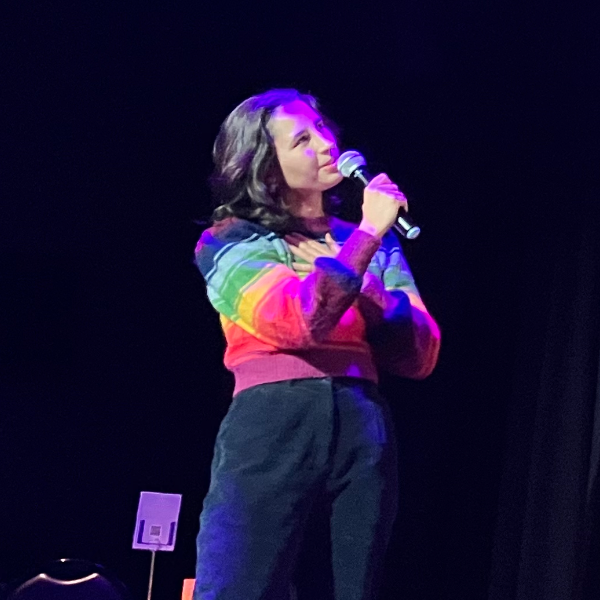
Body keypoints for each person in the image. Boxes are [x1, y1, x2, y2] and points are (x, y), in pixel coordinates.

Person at [193, 88, 441, 600]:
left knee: (352, 587)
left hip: (362, 419)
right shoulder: (230, 240)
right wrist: (368, 236)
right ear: (265, 168)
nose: (327, 145)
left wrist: (369, 269)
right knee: (241, 585)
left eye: (323, 130)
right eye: (303, 139)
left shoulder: (372, 241)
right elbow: (295, 320)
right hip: (272, 423)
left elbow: (420, 352)